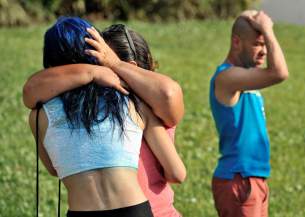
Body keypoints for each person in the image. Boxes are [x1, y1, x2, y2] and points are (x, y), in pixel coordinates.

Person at [24, 20, 185, 216]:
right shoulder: (133, 101)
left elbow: (55, 169)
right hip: (134, 210)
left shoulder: (40, 115)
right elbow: (178, 172)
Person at [209, 10, 289, 217]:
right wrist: (268, 29)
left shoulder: (245, 77)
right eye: (257, 44)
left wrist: (255, 20)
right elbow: (279, 72)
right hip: (239, 178)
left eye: (265, 44)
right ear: (236, 42)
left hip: (253, 178)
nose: (263, 51)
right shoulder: (227, 77)